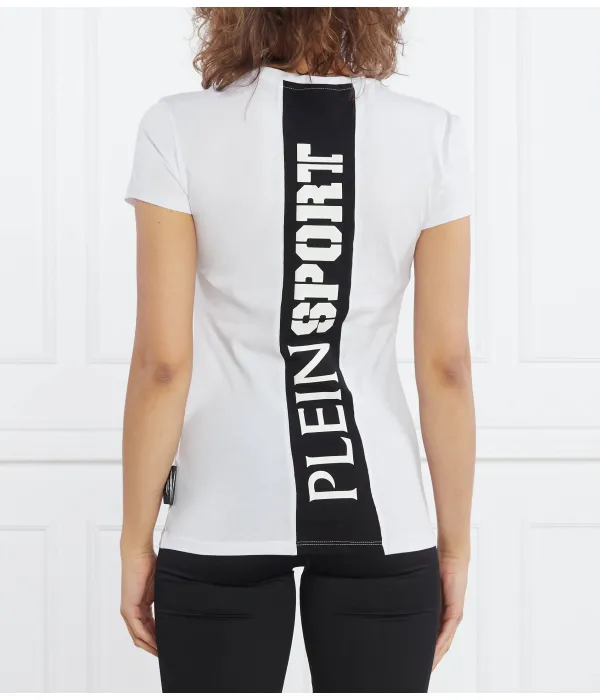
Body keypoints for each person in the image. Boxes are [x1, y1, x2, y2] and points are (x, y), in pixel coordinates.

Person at [120, 7, 475, 693]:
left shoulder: (177, 128)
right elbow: (447, 368)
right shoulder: (432, 136)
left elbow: (162, 367)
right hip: (382, 519)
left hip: (220, 516)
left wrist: (137, 541)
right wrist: (454, 549)